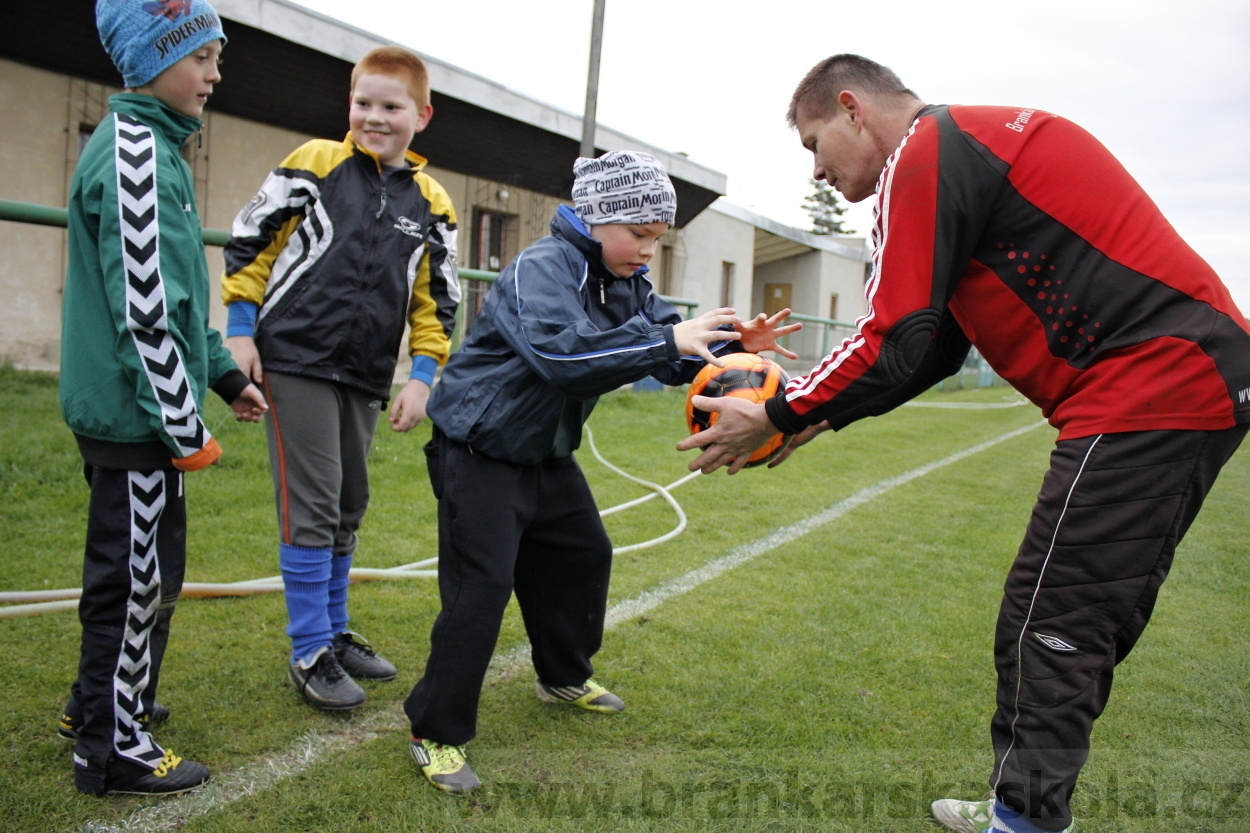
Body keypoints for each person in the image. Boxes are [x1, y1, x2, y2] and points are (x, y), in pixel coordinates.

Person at [677, 55, 1250, 833]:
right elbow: (935, 348)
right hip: (1176, 377)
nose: (816, 170)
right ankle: (1023, 804)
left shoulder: (928, 149)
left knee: (1056, 614)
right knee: (1062, 611)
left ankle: (1025, 821)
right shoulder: (956, 154)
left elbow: (896, 331)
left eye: (815, 144)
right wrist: (811, 421)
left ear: (853, 110)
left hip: (1158, 381)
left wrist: (782, 414)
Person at [404, 150, 801, 793]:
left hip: (545, 454)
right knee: (480, 592)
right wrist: (668, 341)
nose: (648, 250)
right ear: (596, 217)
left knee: (584, 555)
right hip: (478, 452)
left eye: (657, 238)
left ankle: (561, 674)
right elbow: (561, 356)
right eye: (639, 234)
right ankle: (435, 731)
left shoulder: (628, 283)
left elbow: (669, 353)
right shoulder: (541, 269)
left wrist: (731, 347)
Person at [59, 0, 267, 796]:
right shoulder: (138, 154)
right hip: (137, 418)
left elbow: (180, 303)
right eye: (202, 56)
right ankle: (112, 745)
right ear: (152, 59)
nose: (216, 74)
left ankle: (99, 706)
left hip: (138, 412)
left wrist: (225, 376)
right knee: (137, 578)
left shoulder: (160, 151)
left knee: (138, 569)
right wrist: (185, 428)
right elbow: (143, 316)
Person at [221, 45, 459, 712]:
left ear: (422, 115)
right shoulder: (314, 163)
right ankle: (308, 649)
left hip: (364, 372)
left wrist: (422, 375)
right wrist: (240, 330)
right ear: (348, 105)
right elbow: (251, 238)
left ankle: (333, 629)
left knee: (350, 502)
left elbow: (437, 300)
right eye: (363, 103)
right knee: (315, 500)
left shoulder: (432, 201)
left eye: (391, 106)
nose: (374, 117)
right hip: (293, 356)